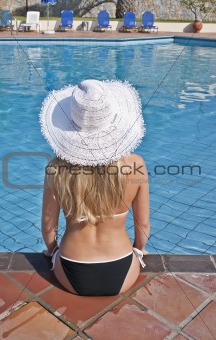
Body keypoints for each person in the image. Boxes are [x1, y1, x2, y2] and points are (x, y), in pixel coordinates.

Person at [40, 79, 150, 296]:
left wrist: (53, 252)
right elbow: (143, 223)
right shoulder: (136, 165)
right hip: (122, 265)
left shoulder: (56, 169)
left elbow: (47, 224)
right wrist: (139, 249)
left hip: (71, 266)